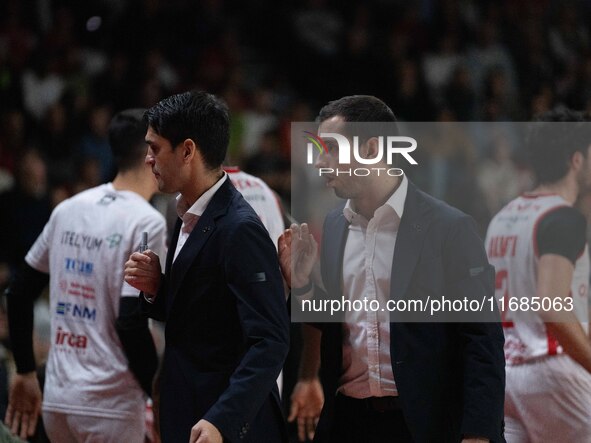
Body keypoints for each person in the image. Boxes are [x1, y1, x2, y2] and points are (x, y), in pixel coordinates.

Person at [280, 95, 505, 443]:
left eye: (331, 150)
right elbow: (338, 321)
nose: (321, 163)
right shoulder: (334, 224)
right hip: (350, 420)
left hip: (422, 422)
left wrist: (478, 433)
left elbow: (482, 339)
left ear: (371, 148)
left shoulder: (449, 226)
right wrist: (304, 285)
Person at [124, 91, 290, 443]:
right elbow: (203, 316)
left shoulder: (240, 228)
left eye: (155, 148)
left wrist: (223, 420)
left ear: (187, 151)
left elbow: (270, 340)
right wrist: (158, 290)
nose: (148, 159)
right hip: (188, 411)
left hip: (225, 425)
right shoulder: (186, 212)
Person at [4, 108, 167, 442]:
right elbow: (130, 320)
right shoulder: (147, 222)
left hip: (58, 402)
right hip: (112, 404)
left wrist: (23, 371)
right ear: (152, 154)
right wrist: (155, 389)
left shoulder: (69, 208)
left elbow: (19, 292)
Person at [485, 108, 591, 442]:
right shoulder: (563, 219)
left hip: (507, 375)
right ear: (577, 161)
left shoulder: (502, 216)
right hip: (550, 367)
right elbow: (552, 306)